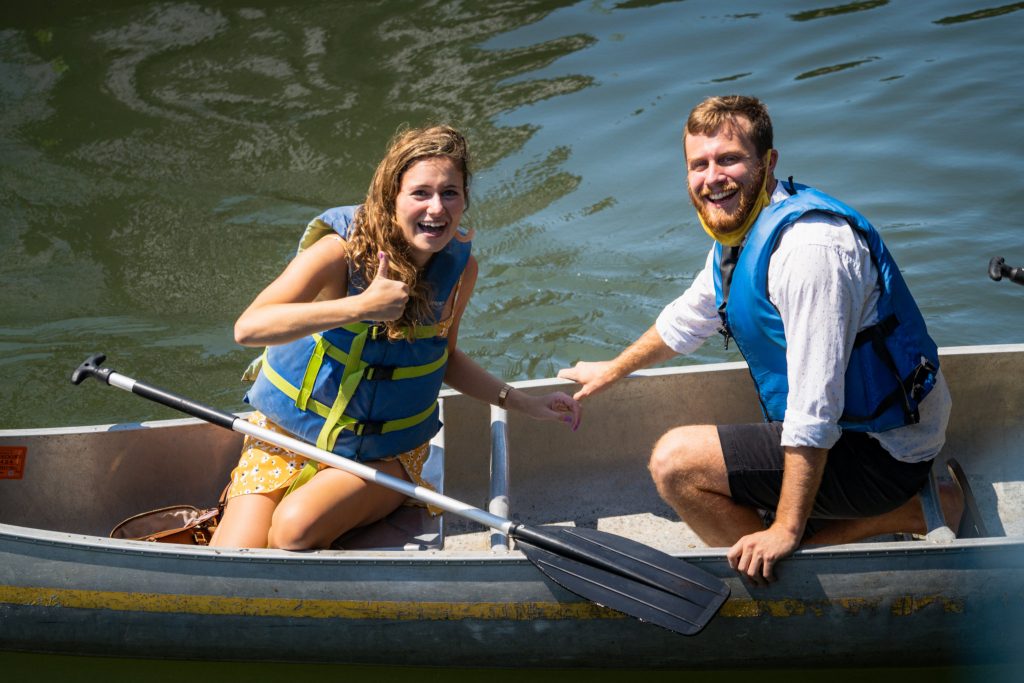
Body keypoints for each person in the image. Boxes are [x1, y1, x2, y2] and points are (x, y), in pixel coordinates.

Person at [558, 95, 959, 585]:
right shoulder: (743, 232)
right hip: (854, 435)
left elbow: (816, 407)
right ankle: (820, 527)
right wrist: (614, 368)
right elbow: (689, 318)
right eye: (698, 165)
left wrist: (786, 529)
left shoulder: (810, 252)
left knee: (676, 465)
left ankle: (835, 545)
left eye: (729, 159)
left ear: (768, 163)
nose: (712, 177)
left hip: (886, 454)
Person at [211, 124, 581, 550]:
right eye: (420, 193)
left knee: (293, 530)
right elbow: (249, 327)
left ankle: (376, 503)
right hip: (287, 435)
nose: (436, 209)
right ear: (392, 198)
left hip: (383, 454)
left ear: (465, 201)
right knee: (235, 553)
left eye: (450, 193)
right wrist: (359, 307)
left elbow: (444, 358)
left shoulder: (462, 270)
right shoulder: (339, 252)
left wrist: (523, 403)